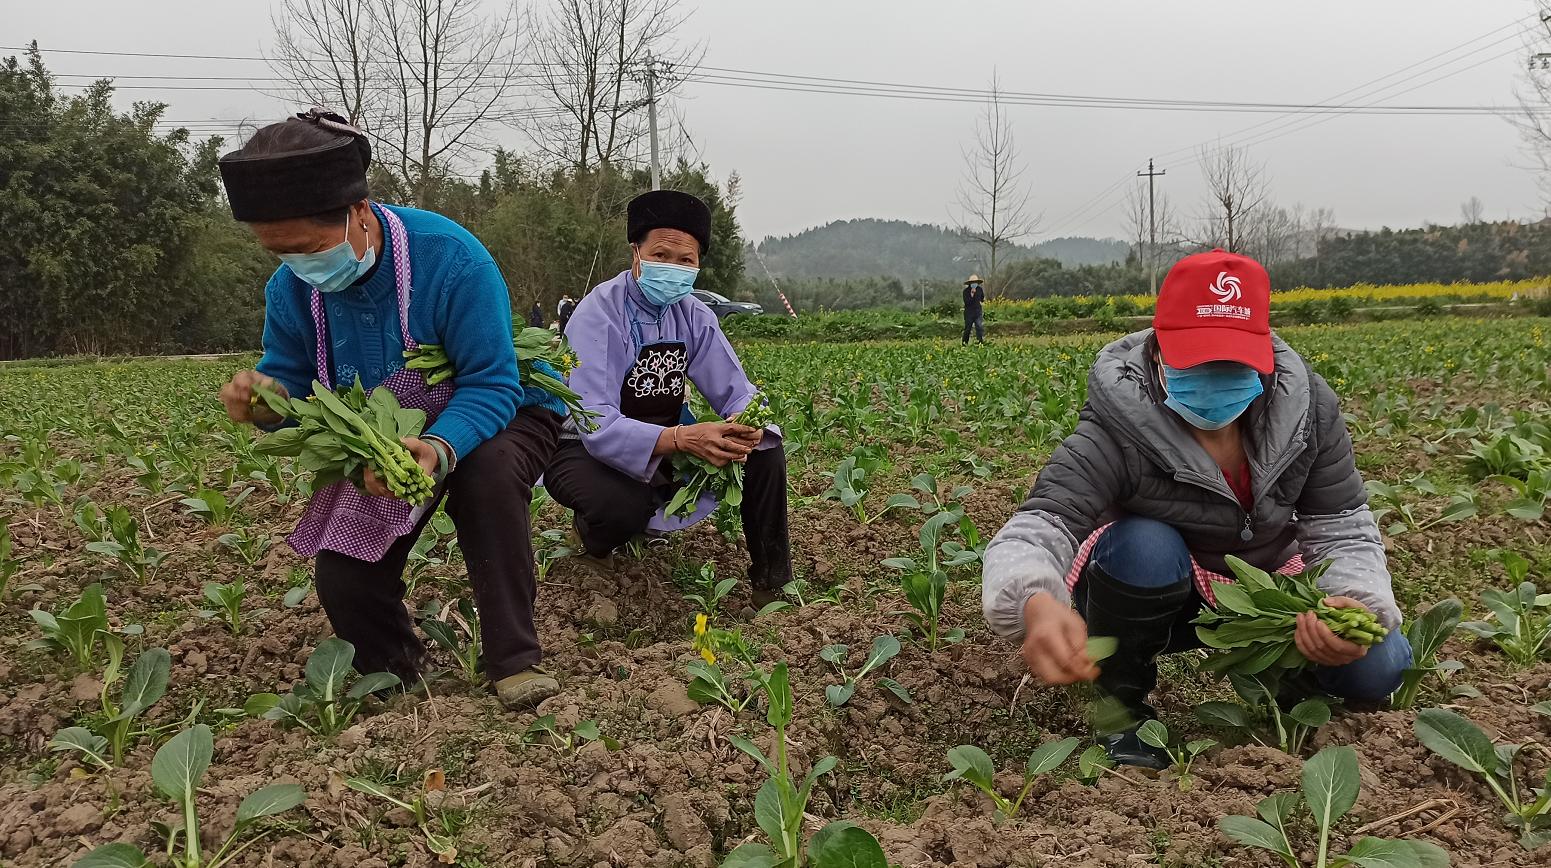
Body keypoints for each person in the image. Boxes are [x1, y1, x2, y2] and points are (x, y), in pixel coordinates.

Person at [981, 249, 1409, 768]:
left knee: (1378, 666)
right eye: (1196, 359)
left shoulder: (1306, 413)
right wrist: (1035, 602)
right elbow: (1038, 525)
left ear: (1264, 353)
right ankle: (1124, 707)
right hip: (1163, 594)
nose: (1214, 374)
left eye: (1232, 360)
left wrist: (1351, 601)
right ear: (1158, 352)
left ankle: (1294, 675)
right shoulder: (1118, 427)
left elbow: (1343, 528)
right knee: (1143, 544)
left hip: (1267, 587)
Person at [215, 109, 566, 710]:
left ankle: (514, 659)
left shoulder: (451, 259)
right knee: (343, 573)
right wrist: (266, 401)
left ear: (359, 213)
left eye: (307, 249)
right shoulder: (291, 288)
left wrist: (436, 448)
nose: (299, 267)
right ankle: (399, 673)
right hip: (389, 431)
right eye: (279, 254)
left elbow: (492, 380)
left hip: (502, 411)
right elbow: (297, 383)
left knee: (483, 482)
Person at [544, 189, 792, 604]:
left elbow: (736, 389)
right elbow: (594, 422)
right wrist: (682, 439)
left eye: (686, 260)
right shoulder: (598, 312)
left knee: (766, 452)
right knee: (621, 506)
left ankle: (771, 584)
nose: (673, 268)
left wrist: (748, 424)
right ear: (636, 253)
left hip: (669, 438)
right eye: (661, 255)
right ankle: (593, 536)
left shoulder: (695, 315)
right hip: (582, 448)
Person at [962, 274, 985, 344]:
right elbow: (967, 302)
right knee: (968, 329)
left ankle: (980, 343)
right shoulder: (966, 292)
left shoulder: (979, 289)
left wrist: (982, 302)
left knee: (979, 326)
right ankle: (964, 343)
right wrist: (972, 294)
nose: (974, 284)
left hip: (978, 312)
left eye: (975, 282)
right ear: (970, 283)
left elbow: (982, 298)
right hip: (969, 313)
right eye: (972, 282)